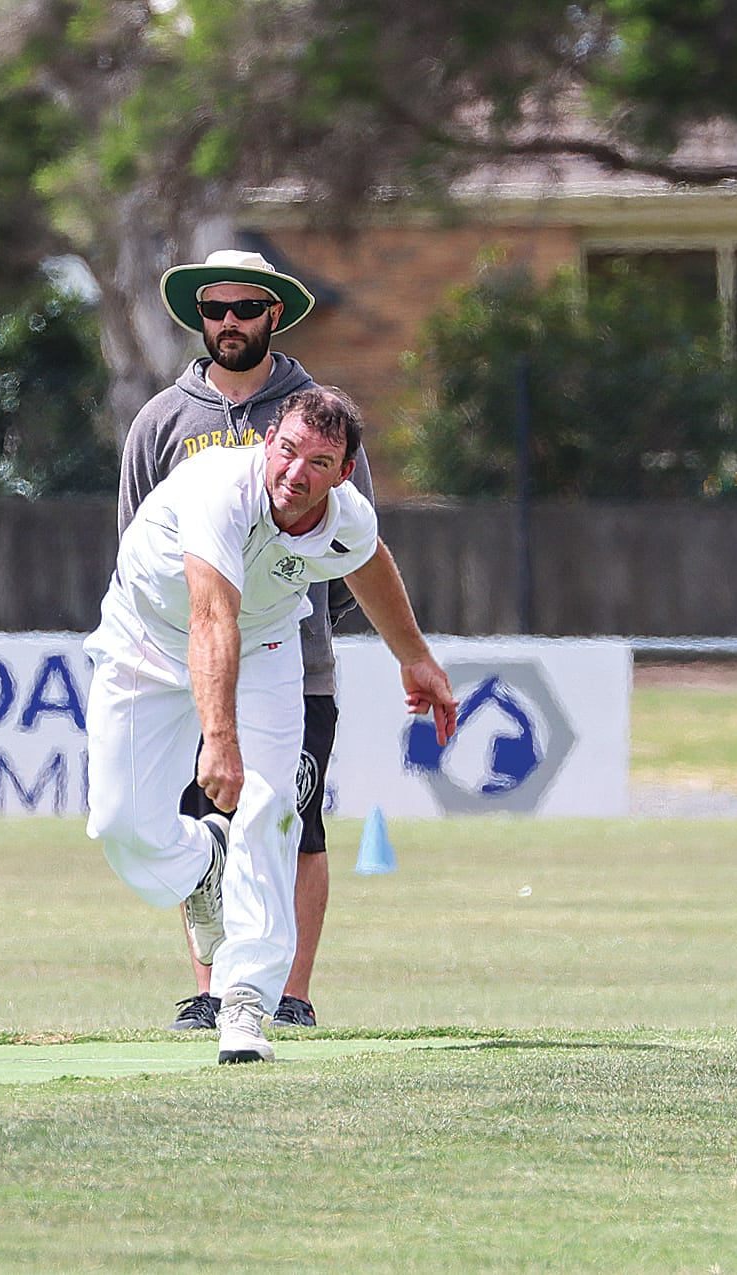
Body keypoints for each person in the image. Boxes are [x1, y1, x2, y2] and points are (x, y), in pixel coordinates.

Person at [85, 385, 457, 1063]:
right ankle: (202, 863)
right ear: (266, 443)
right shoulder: (217, 491)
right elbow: (208, 616)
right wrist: (218, 740)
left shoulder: (342, 514)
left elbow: (367, 558)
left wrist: (415, 657)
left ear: (343, 474)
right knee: (119, 825)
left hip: (265, 648)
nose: (296, 473)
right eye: (287, 450)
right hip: (146, 637)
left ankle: (245, 1002)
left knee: (269, 808)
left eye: (319, 462)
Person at [120, 248, 425, 1032]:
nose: (228, 323)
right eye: (213, 310)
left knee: (291, 819)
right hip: (185, 651)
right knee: (206, 811)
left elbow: (355, 543)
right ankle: (216, 988)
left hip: (291, 656)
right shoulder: (162, 420)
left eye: (244, 309)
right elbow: (136, 542)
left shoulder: (312, 409)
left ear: (273, 316)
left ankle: (287, 989)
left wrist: (328, 630)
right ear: (199, 318)